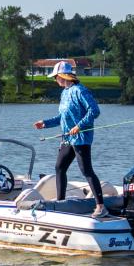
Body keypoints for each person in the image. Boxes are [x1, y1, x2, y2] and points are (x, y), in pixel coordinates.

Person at [32, 61, 108, 218]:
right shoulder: (64, 93)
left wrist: (79, 126)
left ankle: (101, 207)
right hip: (68, 139)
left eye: (55, 77)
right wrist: (45, 123)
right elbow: (62, 118)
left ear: (62, 76)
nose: (55, 80)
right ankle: (60, 202)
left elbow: (94, 110)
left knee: (86, 170)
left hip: (81, 139)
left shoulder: (80, 91)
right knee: (59, 167)